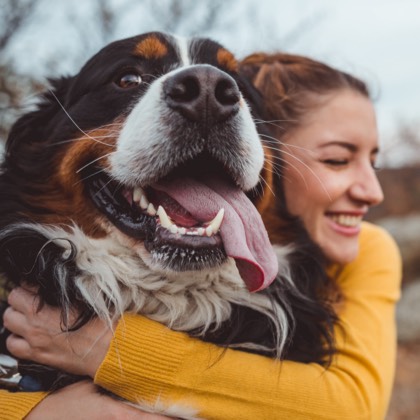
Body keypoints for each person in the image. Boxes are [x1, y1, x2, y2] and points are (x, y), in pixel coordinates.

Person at [0, 52, 401, 420]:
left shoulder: (367, 248)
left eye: (374, 161)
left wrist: (109, 351)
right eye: (336, 160)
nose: (373, 191)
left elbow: (351, 406)